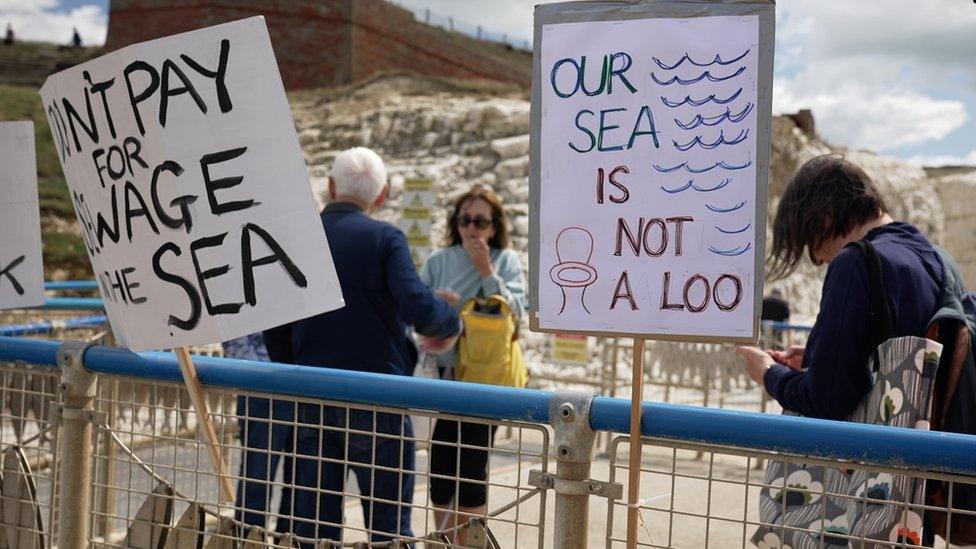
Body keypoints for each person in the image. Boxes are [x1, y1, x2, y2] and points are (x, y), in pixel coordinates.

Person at [263, 147, 460, 545]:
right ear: (382, 195)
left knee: (313, 529)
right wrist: (450, 321)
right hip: (378, 400)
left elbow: (275, 321)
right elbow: (416, 305)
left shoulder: (300, 238)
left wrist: (299, 367)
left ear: (331, 186)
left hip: (313, 397)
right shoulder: (386, 239)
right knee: (388, 531)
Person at [735, 154, 945, 421]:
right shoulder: (925, 252)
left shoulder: (856, 262)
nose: (819, 258)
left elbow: (824, 401)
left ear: (825, 215)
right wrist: (820, 361)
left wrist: (769, 373)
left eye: (809, 240)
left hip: (876, 454)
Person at [418, 185, 526, 543]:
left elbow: (517, 312)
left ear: (494, 226)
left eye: (480, 221)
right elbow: (414, 312)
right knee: (441, 465)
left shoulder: (505, 260)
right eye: (465, 220)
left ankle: (468, 541)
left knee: (472, 466)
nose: (472, 229)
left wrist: (485, 270)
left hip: (484, 379)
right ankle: (447, 538)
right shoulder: (439, 261)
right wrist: (435, 304)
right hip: (446, 375)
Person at [224, 333, 296, 536]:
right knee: (257, 477)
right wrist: (258, 373)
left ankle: (286, 539)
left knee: (302, 481)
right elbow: (231, 330)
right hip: (264, 386)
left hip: (299, 377)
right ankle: (250, 540)